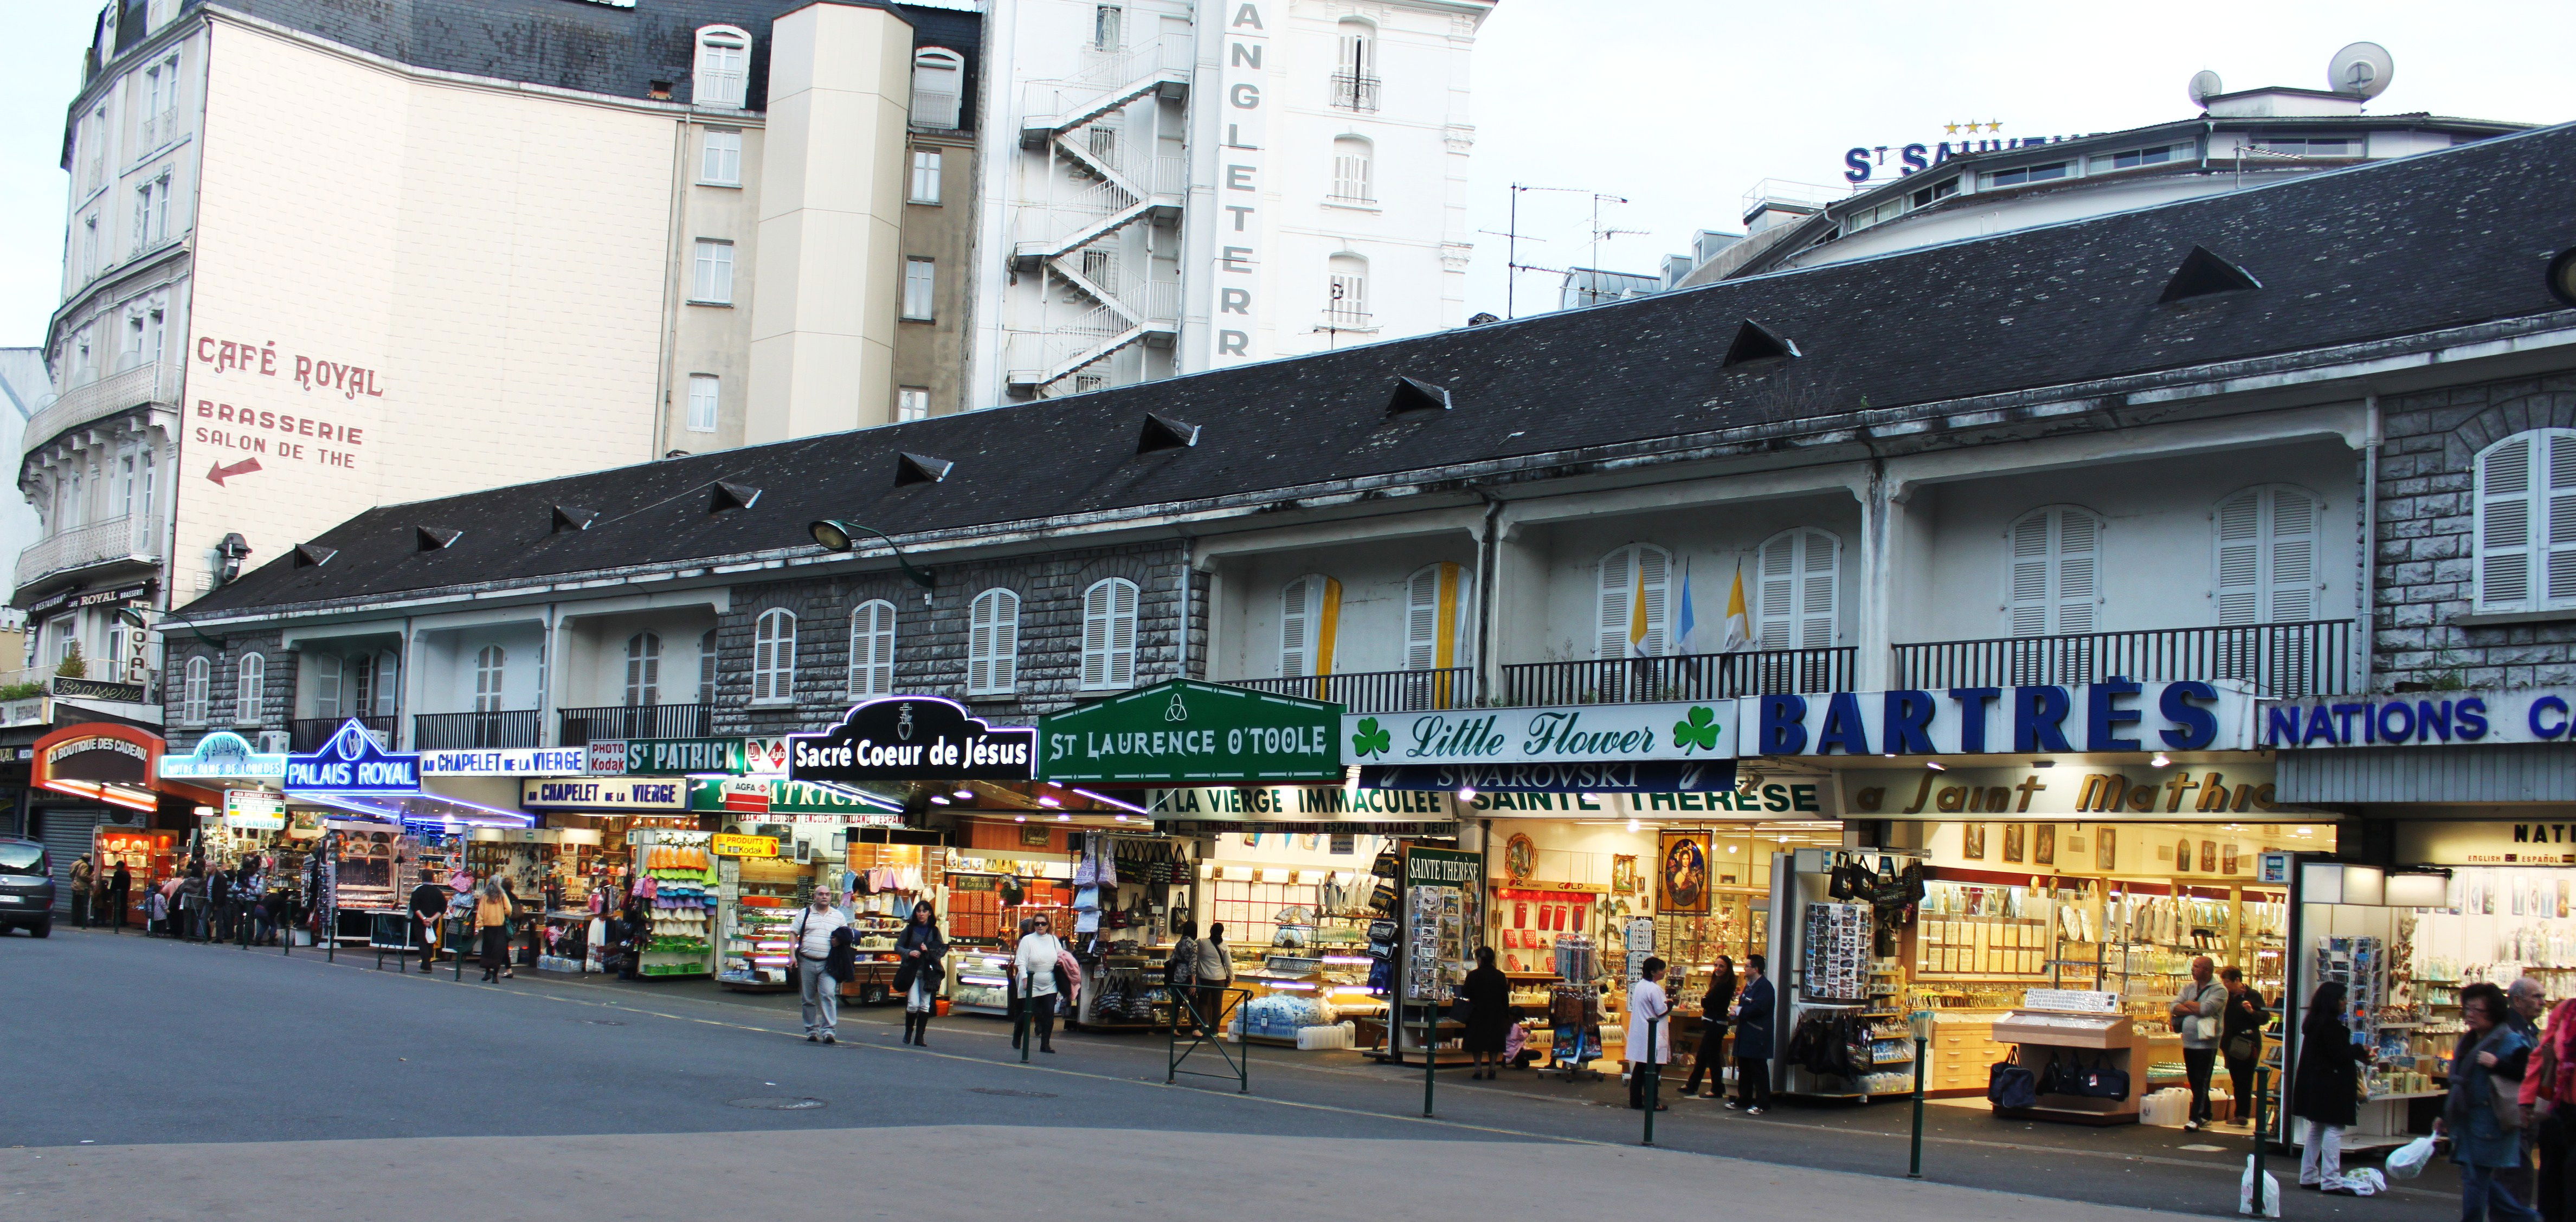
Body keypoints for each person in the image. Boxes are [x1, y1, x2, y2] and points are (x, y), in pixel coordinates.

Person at [2446, 981, 2541, 1222]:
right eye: (2467, 1009)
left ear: (2494, 1012)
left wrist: (2497, 1064)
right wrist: (2445, 1116)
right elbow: (2461, 1082)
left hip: (2492, 1123)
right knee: (2477, 1178)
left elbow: (2528, 1072)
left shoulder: (2508, 1040)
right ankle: (2526, 1217)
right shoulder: (2470, 1040)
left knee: (2475, 1179)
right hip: (2469, 1120)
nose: (2470, 1015)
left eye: (2477, 1010)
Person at [2292, 981, 2369, 1193]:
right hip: (2331, 1085)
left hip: (2316, 1083)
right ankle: (2331, 1179)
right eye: (2342, 998)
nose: (2346, 1002)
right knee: (2335, 1129)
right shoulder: (2331, 1027)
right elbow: (2339, 1056)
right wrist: (2359, 1049)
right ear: (2332, 1001)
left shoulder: (2314, 1023)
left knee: (2317, 1128)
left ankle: (2308, 1175)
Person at [2169, 955, 2227, 1131]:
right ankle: (2206, 1114)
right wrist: (2193, 1006)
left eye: (2197, 967)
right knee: (2194, 1080)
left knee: (2202, 1080)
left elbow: (2206, 1009)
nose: (2193, 969)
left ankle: (2195, 1117)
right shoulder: (2189, 987)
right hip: (2188, 1041)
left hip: (2207, 1043)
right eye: (2193, 966)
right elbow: (2174, 1007)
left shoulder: (2219, 990)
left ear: (2208, 970)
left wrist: (2188, 1006)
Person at [2532, 998, 2576, 1222]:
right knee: (2554, 1178)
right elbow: (2544, 1055)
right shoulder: (2566, 1010)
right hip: (2561, 1108)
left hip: (2563, 1106)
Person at [790, 890, 852, 1044]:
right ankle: (811, 1030)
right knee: (808, 998)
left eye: (827, 894)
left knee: (828, 995)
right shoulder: (804, 914)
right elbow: (793, 934)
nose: (824, 897)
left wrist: (839, 940)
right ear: (814, 897)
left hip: (828, 964)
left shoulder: (838, 916)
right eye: (821, 894)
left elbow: (847, 935)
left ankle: (829, 1031)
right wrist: (791, 956)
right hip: (806, 961)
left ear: (831, 897)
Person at [893, 899, 948, 1047]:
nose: (921, 914)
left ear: (930, 913)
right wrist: (910, 952)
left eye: (924, 911)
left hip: (928, 972)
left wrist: (927, 950)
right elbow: (897, 947)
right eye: (919, 911)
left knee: (925, 1005)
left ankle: (920, 1037)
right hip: (912, 971)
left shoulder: (935, 931)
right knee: (913, 1004)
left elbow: (940, 951)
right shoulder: (909, 930)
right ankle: (908, 1031)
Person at [2220, 966, 2269, 1128]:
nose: (2225, 984)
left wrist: (2251, 1011)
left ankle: (2242, 1114)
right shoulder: (2225, 997)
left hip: (2247, 1043)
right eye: (2224, 981)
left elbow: (2264, 1018)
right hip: (2230, 1043)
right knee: (2236, 1079)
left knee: (2245, 1079)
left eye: (2227, 981)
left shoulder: (2252, 996)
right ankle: (2240, 1113)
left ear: (2237, 981)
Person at [1683, 954, 1737, 1097]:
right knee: (1704, 1055)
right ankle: (1693, 1085)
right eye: (1716, 965)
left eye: (1722, 966)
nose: (1718, 969)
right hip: (1714, 1022)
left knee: (1711, 1056)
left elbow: (1707, 1002)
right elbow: (1708, 1001)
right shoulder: (1718, 983)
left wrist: (1706, 1000)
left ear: (1728, 969)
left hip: (1716, 1024)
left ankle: (1716, 1088)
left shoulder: (1724, 986)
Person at [1729, 954, 1775, 1115]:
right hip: (1746, 1033)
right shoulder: (1749, 986)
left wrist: (1740, 1010)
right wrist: (1736, 1012)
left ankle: (1763, 1102)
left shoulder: (1765, 987)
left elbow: (1760, 1008)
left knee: (1758, 1068)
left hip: (1757, 1034)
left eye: (1747, 966)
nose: (1745, 969)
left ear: (1756, 969)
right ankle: (1744, 1098)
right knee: (1745, 1067)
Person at [1015, 916, 1067, 1054]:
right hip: (1032, 979)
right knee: (1029, 1012)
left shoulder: (1053, 940)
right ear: (1034, 925)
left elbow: (1061, 957)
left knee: (1049, 1012)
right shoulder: (1027, 940)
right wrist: (1025, 979)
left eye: (1043, 924)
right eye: (1037, 924)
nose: (1040, 926)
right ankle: (1017, 1034)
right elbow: (1021, 961)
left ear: (1048, 925)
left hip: (1049, 981)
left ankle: (1045, 1044)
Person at [1627, 956, 1673, 1111]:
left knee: (1640, 1069)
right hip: (1652, 1033)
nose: (1664, 972)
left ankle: (1635, 1100)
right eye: (1661, 969)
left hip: (1641, 1031)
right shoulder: (1655, 989)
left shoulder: (1640, 985)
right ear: (1654, 972)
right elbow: (1661, 1010)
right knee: (1652, 1071)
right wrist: (1671, 1005)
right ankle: (1652, 1102)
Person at [1460, 946, 1510, 1080]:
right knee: (1493, 1043)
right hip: (1496, 1012)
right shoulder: (1500, 976)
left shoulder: (1473, 975)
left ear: (1479, 960)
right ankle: (1492, 1069)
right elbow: (1505, 997)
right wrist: (1506, 1014)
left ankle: (1478, 1070)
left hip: (1477, 1012)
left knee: (1477, 1043)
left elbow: (1466, 993)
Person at [1194, 921, 1233, 1040]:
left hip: (1204, 977)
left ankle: (1205, 1024)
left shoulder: (1201, 943)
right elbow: (1229, 965)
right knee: (1217, 1005)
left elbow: (1193, 947)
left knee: (1203, 1003)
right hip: (1219, 979)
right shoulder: (1224, 947)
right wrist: (1231, 978)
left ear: (1211, 931)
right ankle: (1215, 1030)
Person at [1165, 919, 1201, 1035]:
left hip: (1178, 974)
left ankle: (1174, 1028)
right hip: (1188, 976)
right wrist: (1194, 981)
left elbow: (1172, 959)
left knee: (1177, 1002)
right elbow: (1193, 963)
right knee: (1193, 1001)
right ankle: (1195, 1029)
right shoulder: (1193, 944)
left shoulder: (1179, 943)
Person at [473, 878, 512, 983]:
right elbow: (509, 909)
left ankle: (487, 972)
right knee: (498, 951)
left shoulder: (485, 897)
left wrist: (477, 927)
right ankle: (495, 976)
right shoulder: (502, 896)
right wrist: (504, 914)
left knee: (487, 950)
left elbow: (480, 914)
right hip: (500, 927)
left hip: (488, 927)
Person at [408, 876, 449, 973]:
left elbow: (414, 906)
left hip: (419, 921)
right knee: (430, 941)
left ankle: (426, 965)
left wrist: (424, 918)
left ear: (422, 878)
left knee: (422, 942)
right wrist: (432, 919)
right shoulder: (438, 892)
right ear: (433, 879)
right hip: (433, 921)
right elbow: (443, 907)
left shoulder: (418, 891)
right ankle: (427, 963)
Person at [67, 854, 92, 928]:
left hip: (75, 886)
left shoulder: (75, 863)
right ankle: (82, 922)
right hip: (82, 888)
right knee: (83, 906)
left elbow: (71, 875)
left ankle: (75, 921)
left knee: (75, 906)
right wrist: (90, 879)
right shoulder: (84, 865)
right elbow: (83, 875)